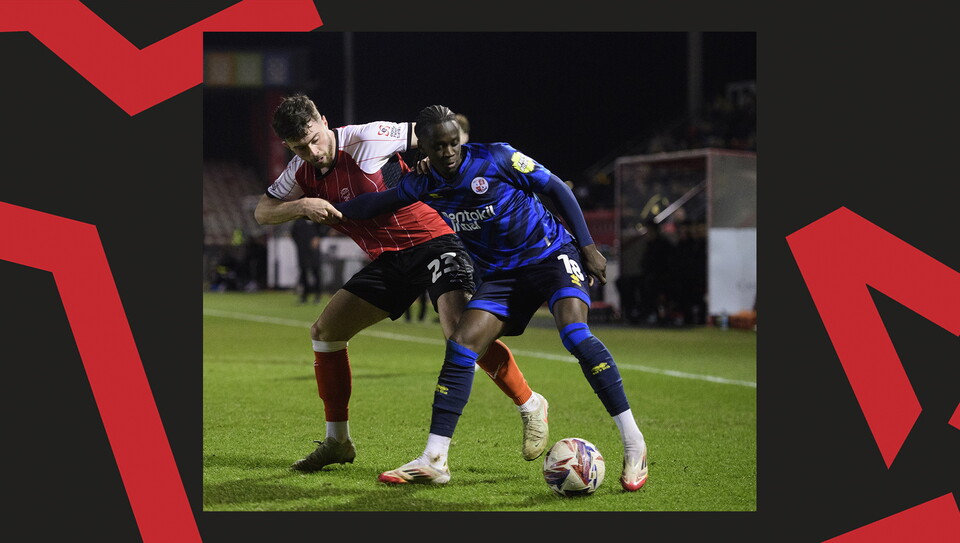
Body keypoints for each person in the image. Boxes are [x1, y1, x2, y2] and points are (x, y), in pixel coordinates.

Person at [335, 105, 648, 491]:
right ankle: (434, 459)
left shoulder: (497, 157)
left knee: (574, 334)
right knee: (462, 343)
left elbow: (556, 189)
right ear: (424, 149)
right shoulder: (422, 183)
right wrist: (326, 211)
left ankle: (635, 445)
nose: (450, 152)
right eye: (440, 146)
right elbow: (375, 204)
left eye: (454, 143)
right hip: (503, 276)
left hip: (550, 255)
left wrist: (588, 246)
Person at [253, 95, 550, 473]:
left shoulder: (368, 137)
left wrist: (435, 158)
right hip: (389, 260)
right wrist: (301, 205)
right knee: (326, 331)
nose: (313, 151)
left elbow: (436, 133)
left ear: (323, 120)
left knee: (460, 334)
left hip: (436, 239)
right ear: (288, 146)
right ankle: (338, 441)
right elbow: (262, 211)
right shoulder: (299, 173)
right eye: (300, 147)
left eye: (315, 138)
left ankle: (530, 404)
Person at [291, 217, 326, 304]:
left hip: (313, 250)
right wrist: (299, 244)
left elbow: (324, 228)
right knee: (303, 272)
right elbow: (293, 233)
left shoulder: (316, 219)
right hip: (302, 250)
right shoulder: (299, 221)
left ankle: (318, 295)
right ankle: (304, 295)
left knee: (316, 271)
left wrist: (318, 237)